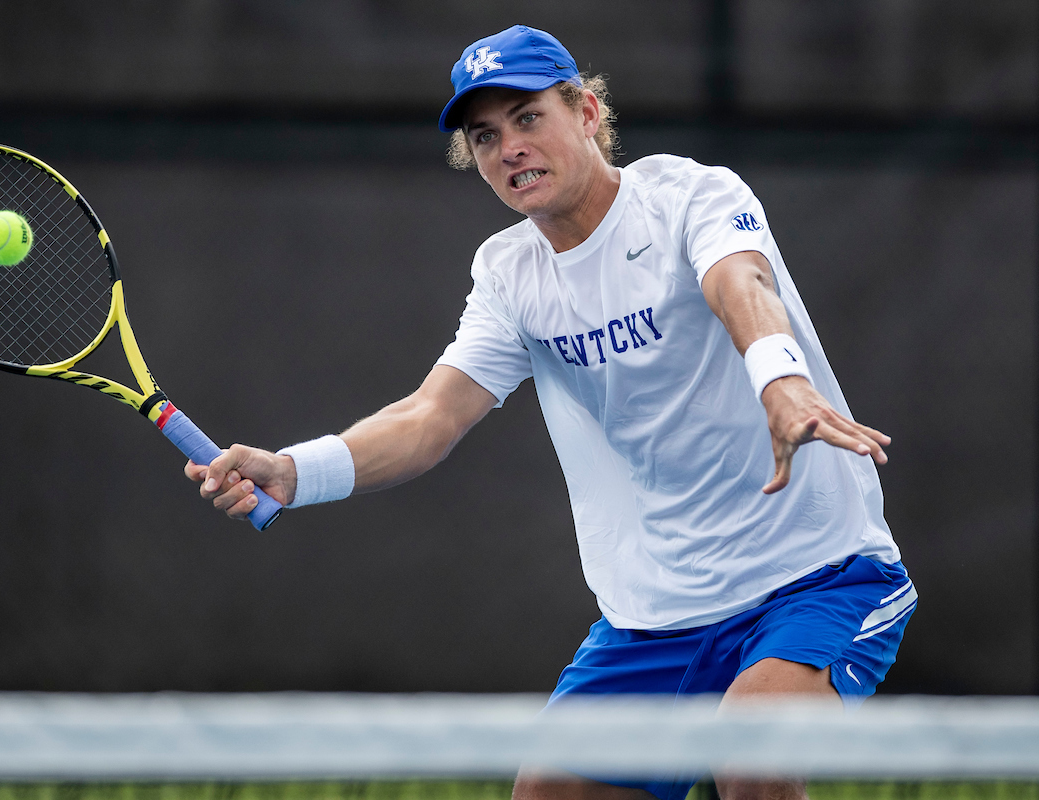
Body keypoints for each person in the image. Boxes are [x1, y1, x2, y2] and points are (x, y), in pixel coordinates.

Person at [188, 25, 916, 800]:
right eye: (486, 136)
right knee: (549, 790)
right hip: (654, 617)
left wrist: (781, 381)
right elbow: (432, 416)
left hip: (816, 574)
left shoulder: (691, 196)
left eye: (529, 117)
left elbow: (741, 284)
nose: (510, 149)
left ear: (588, 113)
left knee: (752, 766)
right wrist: (294, 472)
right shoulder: (509, 275)